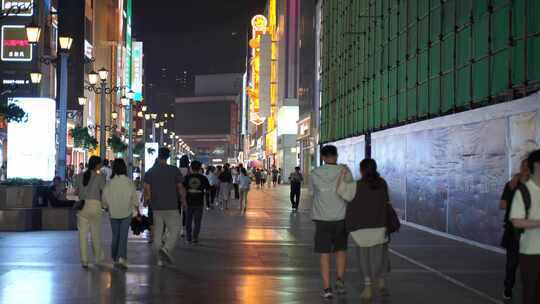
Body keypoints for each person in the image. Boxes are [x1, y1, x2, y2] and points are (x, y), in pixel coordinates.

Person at [337, 158, 391, 299]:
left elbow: (341, 191)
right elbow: (386, 201)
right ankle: (380, 281)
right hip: (379, 227)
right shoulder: (383, 183)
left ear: (361, 170)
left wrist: (343, 174)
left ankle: (367, 287)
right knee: (377, 258)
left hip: (360, 228)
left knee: (363, 258)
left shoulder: (356, 185)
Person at [310, 145, 353, 299]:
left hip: (322, 219)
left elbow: (312, 193)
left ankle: (327, 288)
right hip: (341, 218)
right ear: (336, 156)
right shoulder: (345, 171)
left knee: (324, 254)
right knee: (340, 251)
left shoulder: (315, 173)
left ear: (322, 157)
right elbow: (349, 192)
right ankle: (340, 282)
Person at [144, 147, 187, 266]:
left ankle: (159, 260)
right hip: (171, 205)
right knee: (176, 229)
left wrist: (146, 200)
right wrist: (183, 201)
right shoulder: (174, 170)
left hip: (156, 206)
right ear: (168, 157)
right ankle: (166, 248)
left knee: (158, 232)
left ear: (158, 156)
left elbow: (147, 189)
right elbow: (180, 188)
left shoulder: (150, 171)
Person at [510, 150, 540, 304]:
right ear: (536, 165)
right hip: (531, 252)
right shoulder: (524, 191)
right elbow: (516, 221)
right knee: (532, 294)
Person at [500, 159, 530, 300]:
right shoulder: (511, 185)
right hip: (515, 231)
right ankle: (508, 288)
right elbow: (503, 205)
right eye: (524, 167)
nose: (526, 169)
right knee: (512, 263)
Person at [102, 158, 139, 269]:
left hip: (113, 213)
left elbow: (104, 198)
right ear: (124, 168)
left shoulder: (110, 183)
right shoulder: (129, 182)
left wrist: (106, 206)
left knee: (115, 236)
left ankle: (114, 257)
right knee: (123, 236)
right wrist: (136, 208)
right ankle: (121, 258)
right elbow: (134, 199)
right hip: (126, 212)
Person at [74, 156, 106, 268]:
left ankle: (84, 260)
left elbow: (76, 192)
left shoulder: (79, 176)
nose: (101, 166)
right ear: (97, 165)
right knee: (95, 234)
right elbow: (103, 191)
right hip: (95, 205)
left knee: (82, 235)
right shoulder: (100, 176)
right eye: (100, 164)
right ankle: (98, 258)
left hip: (82, 206)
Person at [183, 160, 210, 244]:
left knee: (188, 221)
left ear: (190, 168)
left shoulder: (186, 178)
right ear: (199, 168)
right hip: (199, 202)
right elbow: (208, 190)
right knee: (197, 221)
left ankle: (188, 238)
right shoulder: (203, 178)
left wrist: (183, 200)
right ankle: (195, 238)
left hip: (188, 202)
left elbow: (182, 190)